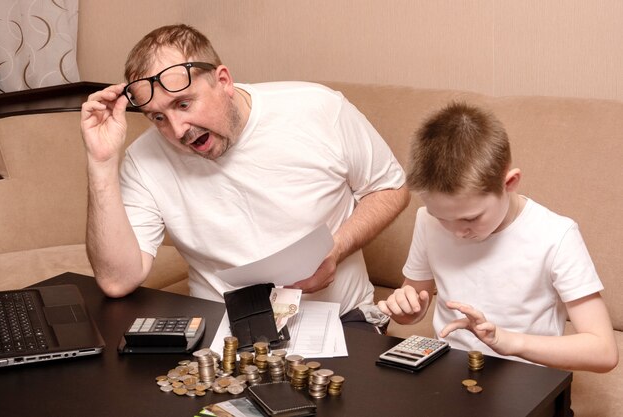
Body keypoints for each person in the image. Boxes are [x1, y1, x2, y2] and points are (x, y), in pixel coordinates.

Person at [80, 24, 410, 329]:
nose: (177, 130)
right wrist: (101, 162)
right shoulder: (144, 159)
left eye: (183, 104)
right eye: (158, 117)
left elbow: (391, 188)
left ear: (223, 81)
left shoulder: (317, 108)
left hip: (341, 321)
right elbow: (116, 281)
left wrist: (336, 249)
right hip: (224, 333)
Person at [378, 102, 618, 371]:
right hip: (449, 375)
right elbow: (416, 299)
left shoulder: (556, 235)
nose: (457, 231)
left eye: (470, 218)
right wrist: (408, 310)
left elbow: (603, 351)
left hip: (528, 384)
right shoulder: (427, 221)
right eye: (441, 217)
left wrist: (507, 341)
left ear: (510, 183)